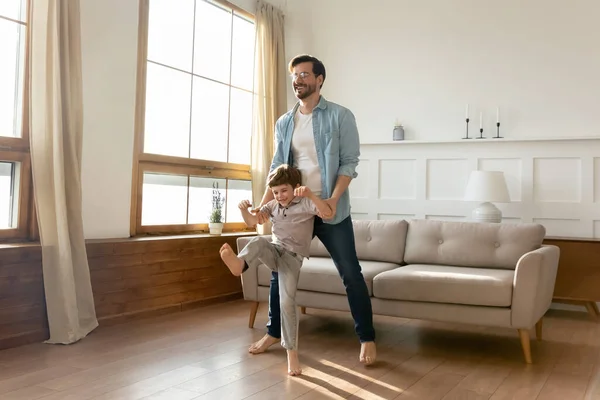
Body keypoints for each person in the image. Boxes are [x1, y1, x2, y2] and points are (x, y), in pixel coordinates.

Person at [248, 54, 377, 365]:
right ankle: (274, 333)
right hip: (292, 210)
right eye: (295, 75)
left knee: (350, 273)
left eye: (305, 74)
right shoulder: (284, 122)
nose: (298, 80)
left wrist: (332, 200)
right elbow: (277, 169)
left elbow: (349, 163)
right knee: (280, 272)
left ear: (320, 79)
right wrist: (264, 206)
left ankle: (367, 338)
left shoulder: (340, 116)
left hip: (328, 208)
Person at [219, 164, 333, 376]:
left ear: (295, 187)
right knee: (258, 241)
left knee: (287, 302)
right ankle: (240, 265)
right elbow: (254, 221)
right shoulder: (272, 205)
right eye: (275, 192)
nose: (279, 196)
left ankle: (292, 355)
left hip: (292, 258)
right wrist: (244, 210)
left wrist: (310, 193)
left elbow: (327, 213)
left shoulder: (306, 203)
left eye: (284, 191)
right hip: (274, 251)